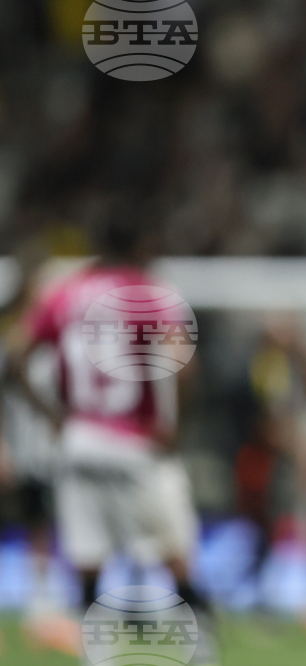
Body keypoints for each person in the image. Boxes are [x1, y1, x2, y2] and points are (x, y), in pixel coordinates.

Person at [12, 204, 216, 664]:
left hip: (78, 441)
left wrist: (54, 415)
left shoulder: (64, 294)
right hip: (136, 442)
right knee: (176, 549)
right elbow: (185, 369)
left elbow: (17, 356)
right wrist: (173, 428)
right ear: (144, 247)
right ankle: (202, 646)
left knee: (87, 557)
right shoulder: (152, 293)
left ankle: (94, 654)